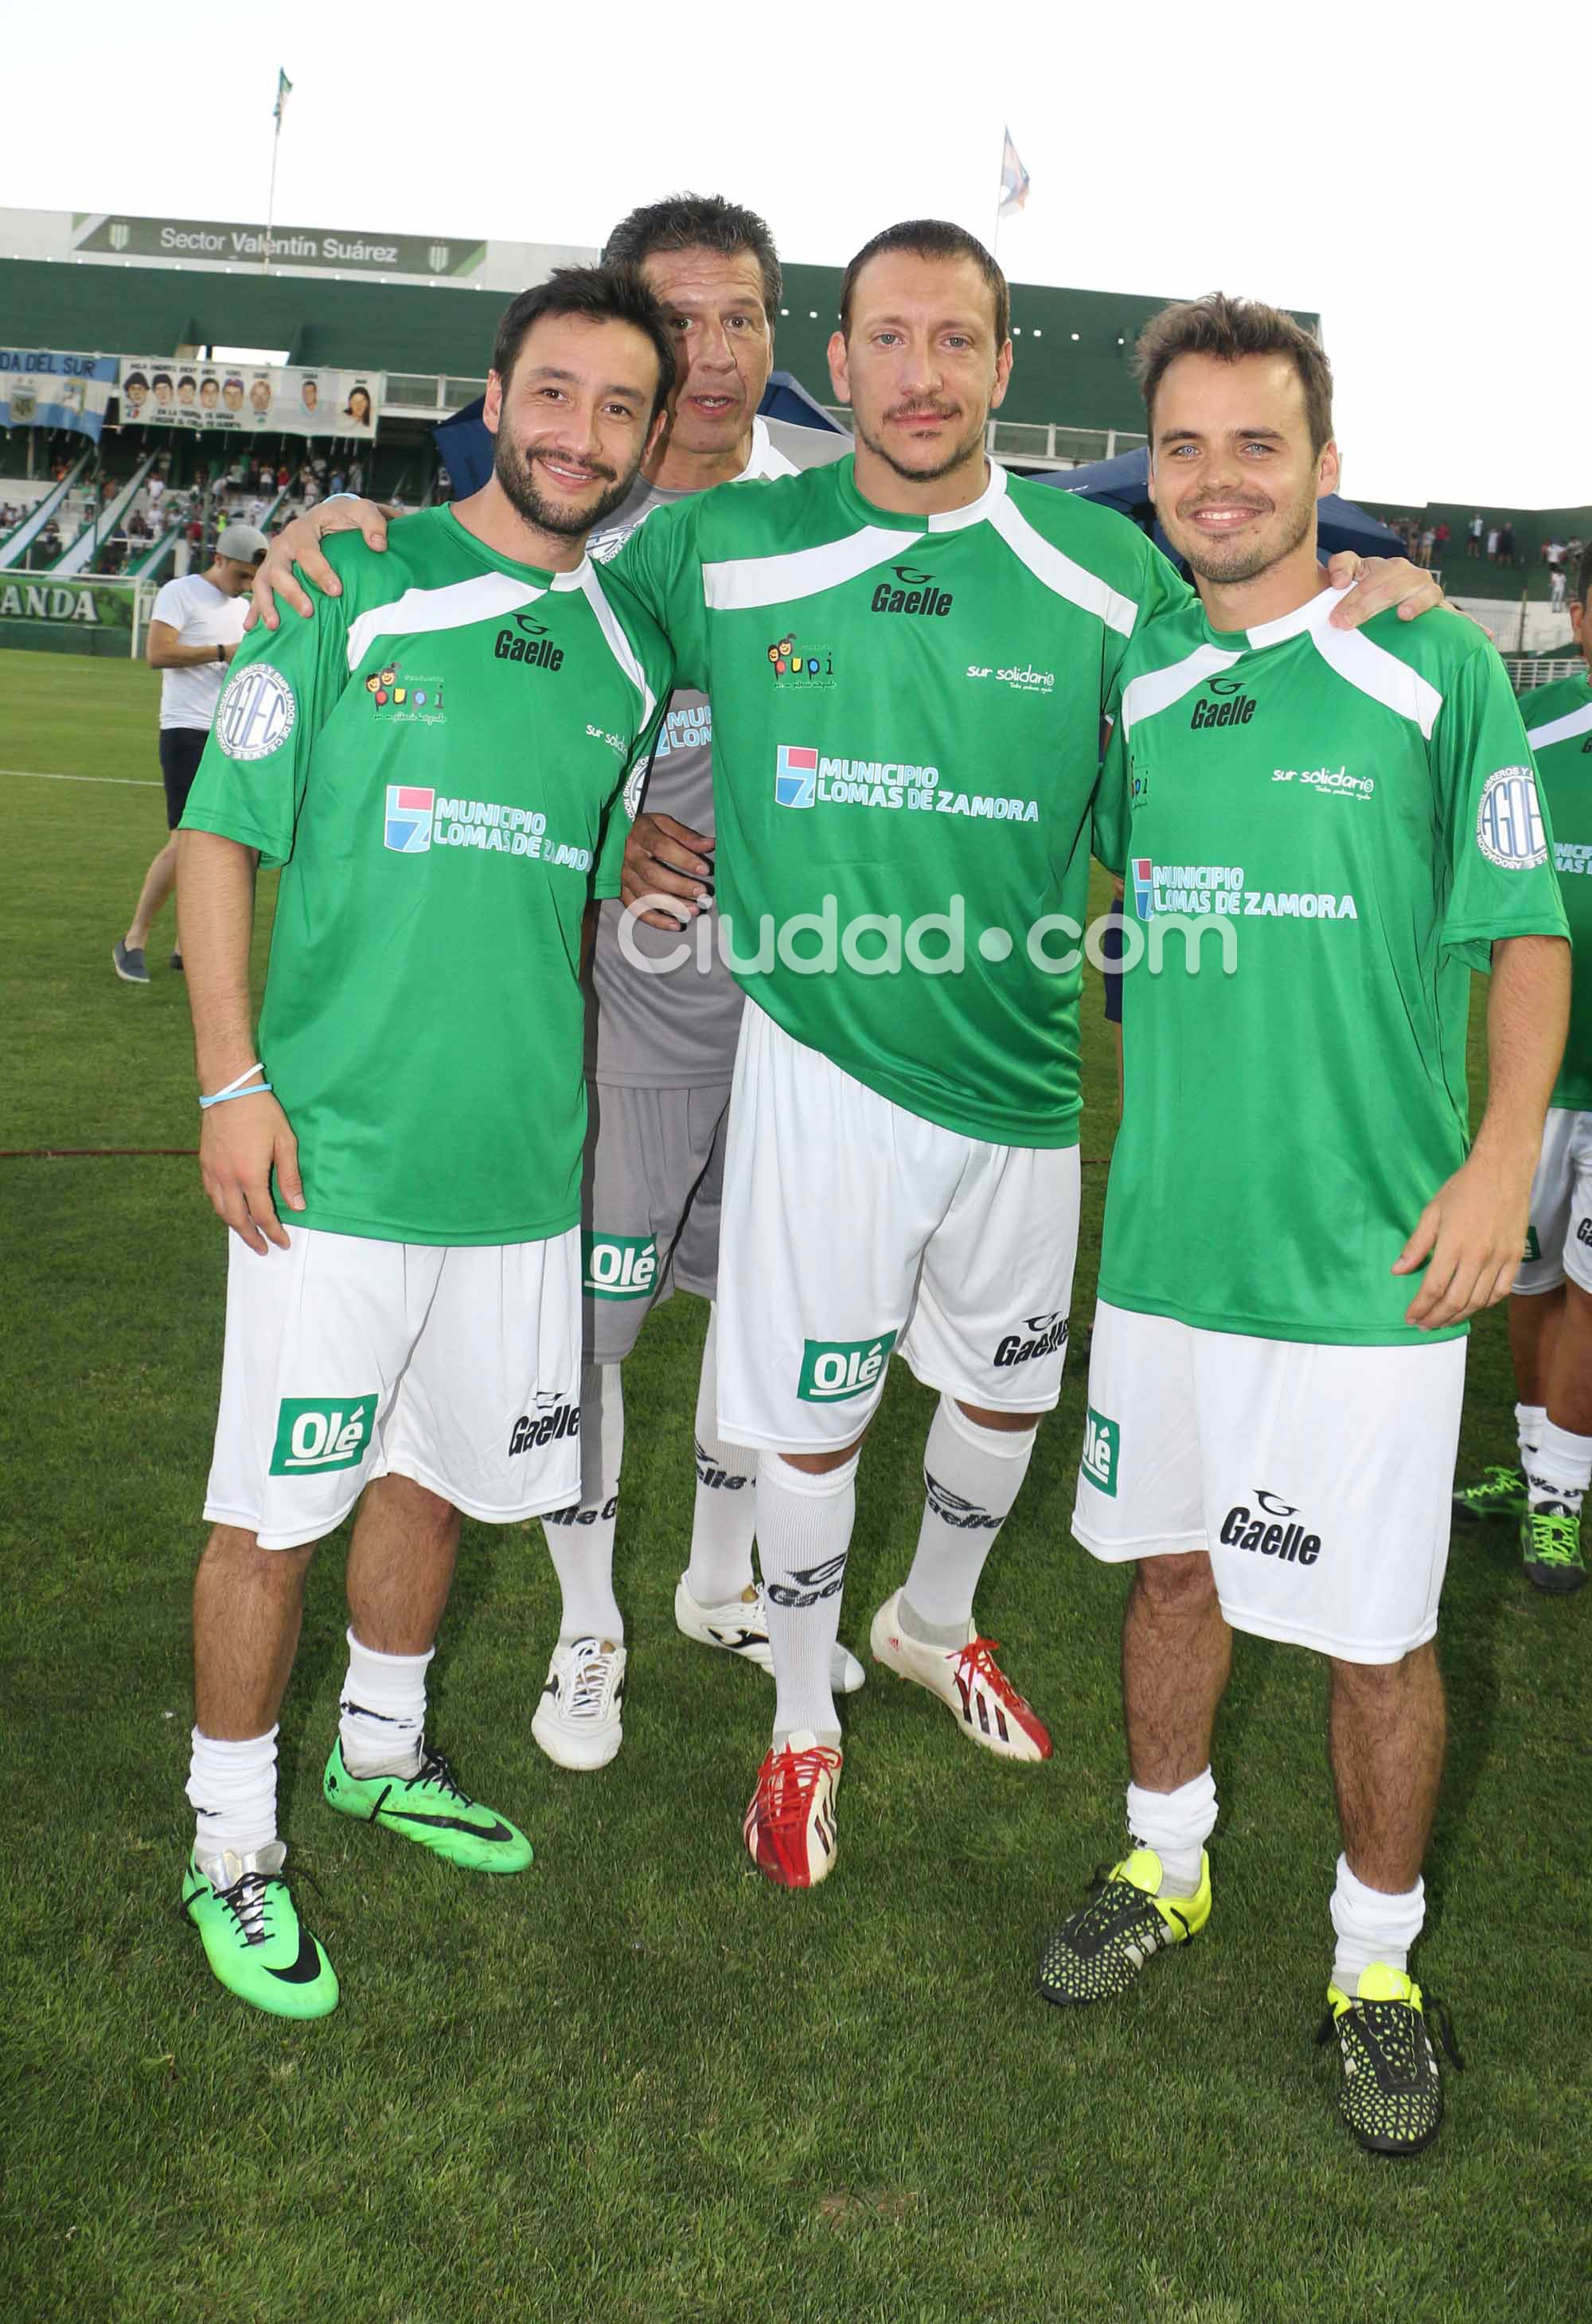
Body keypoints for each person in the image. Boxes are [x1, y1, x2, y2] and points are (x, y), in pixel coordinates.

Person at [250, 225, 1442, 1891]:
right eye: (887, 337)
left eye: (956, 340)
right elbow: (526, 594)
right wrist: (338, 531)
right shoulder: (730, 543)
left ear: (1003, 365)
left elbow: (1257, 644)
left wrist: (1381, 589)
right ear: (853, 353)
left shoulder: (1104, 572)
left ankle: (925, 1619)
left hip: (1025, 1078)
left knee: (1008, 1395)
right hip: (819, 1065)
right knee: (814, 1420)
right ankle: (798, 1715)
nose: (921, 372)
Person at [1038, 294, 1568, 2158]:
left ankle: (1371, 1962)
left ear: (1321, 467)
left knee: (1371, 1643)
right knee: (1166, 1572)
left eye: (1253, 444)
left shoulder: (1432, 668)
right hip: (1170, 1257)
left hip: (1365, 1267)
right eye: (1177, 446)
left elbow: (1521, 930)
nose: (1212, 478)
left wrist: (1501, 1157)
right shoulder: (1144, 677)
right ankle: (1162, 1858)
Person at [252, 192, 864, 1772]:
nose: (707, 353)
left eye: (737, 319)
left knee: (766, 1320)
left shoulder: (824, 516)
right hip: (611, 999)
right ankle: (585, 1621)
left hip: (815, 1007)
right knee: (577, 1338)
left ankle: (715, 1582)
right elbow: (456, 640)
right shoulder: (571, 515)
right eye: (676, 321)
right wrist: (317, 528)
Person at [173, 267, 677, 2021]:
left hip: (521, 1177)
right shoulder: (350, 580)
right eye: (555, 394)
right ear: (495, 390)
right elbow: (226, 837)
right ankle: (230, 1835)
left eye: (620, 408)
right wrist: (233, 1083)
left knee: (443, 1477)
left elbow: (567, 859)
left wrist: (642, 866)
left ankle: (379, 1750)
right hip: (338, 1168)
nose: (580, 435)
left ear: (650, 435)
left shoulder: (630, 646)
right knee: (270, 1514)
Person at [1453, 543, 1592, 1589]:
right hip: (1535, 1075)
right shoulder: (1531, 731)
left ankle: (1559, 1501)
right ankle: (1535, 1461)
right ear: (1581, 618)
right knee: (1532, 1278)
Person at [111, 523, 269, 985]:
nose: (245, 586)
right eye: (241, 575)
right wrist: (225, 652)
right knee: (185, 842)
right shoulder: (181, 592)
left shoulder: (244, 607)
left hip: (233, 733)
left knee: (237, 844)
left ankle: (188, 946)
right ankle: (133, 940)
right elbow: (157, 653)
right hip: (186, 730)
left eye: (251, 579)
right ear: (219, 559)